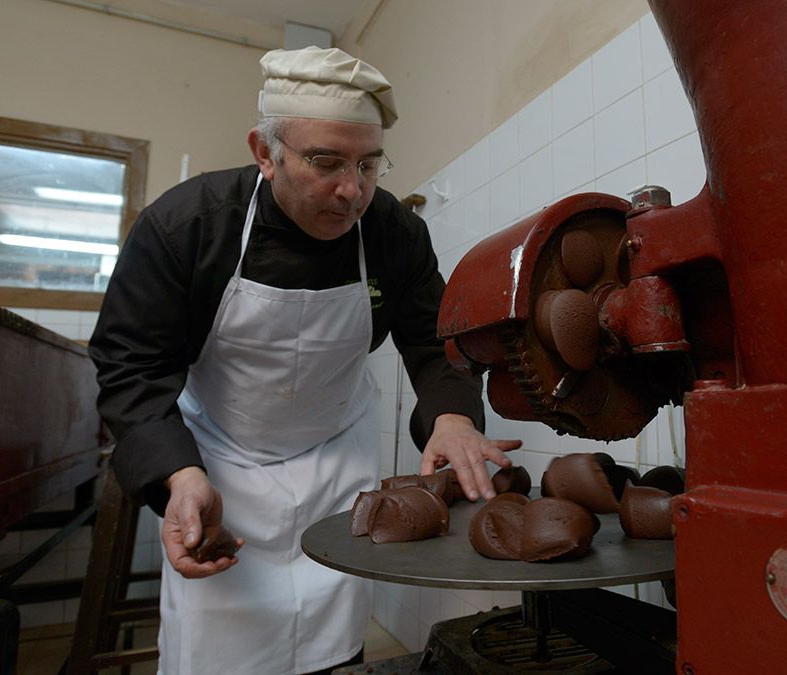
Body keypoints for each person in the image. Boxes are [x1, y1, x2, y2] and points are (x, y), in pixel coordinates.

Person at [88, 46, 520, 674]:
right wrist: (178, 476)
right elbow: (131, 365)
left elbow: (435, 345)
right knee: (219, 645)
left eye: (369, 164)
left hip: (335, 464)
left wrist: (452, 418)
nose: (353, 192)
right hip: (217, 467)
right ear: (265, 153)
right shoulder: (188, 227)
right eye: (326, 163)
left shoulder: (393, 232)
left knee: (331, 639)